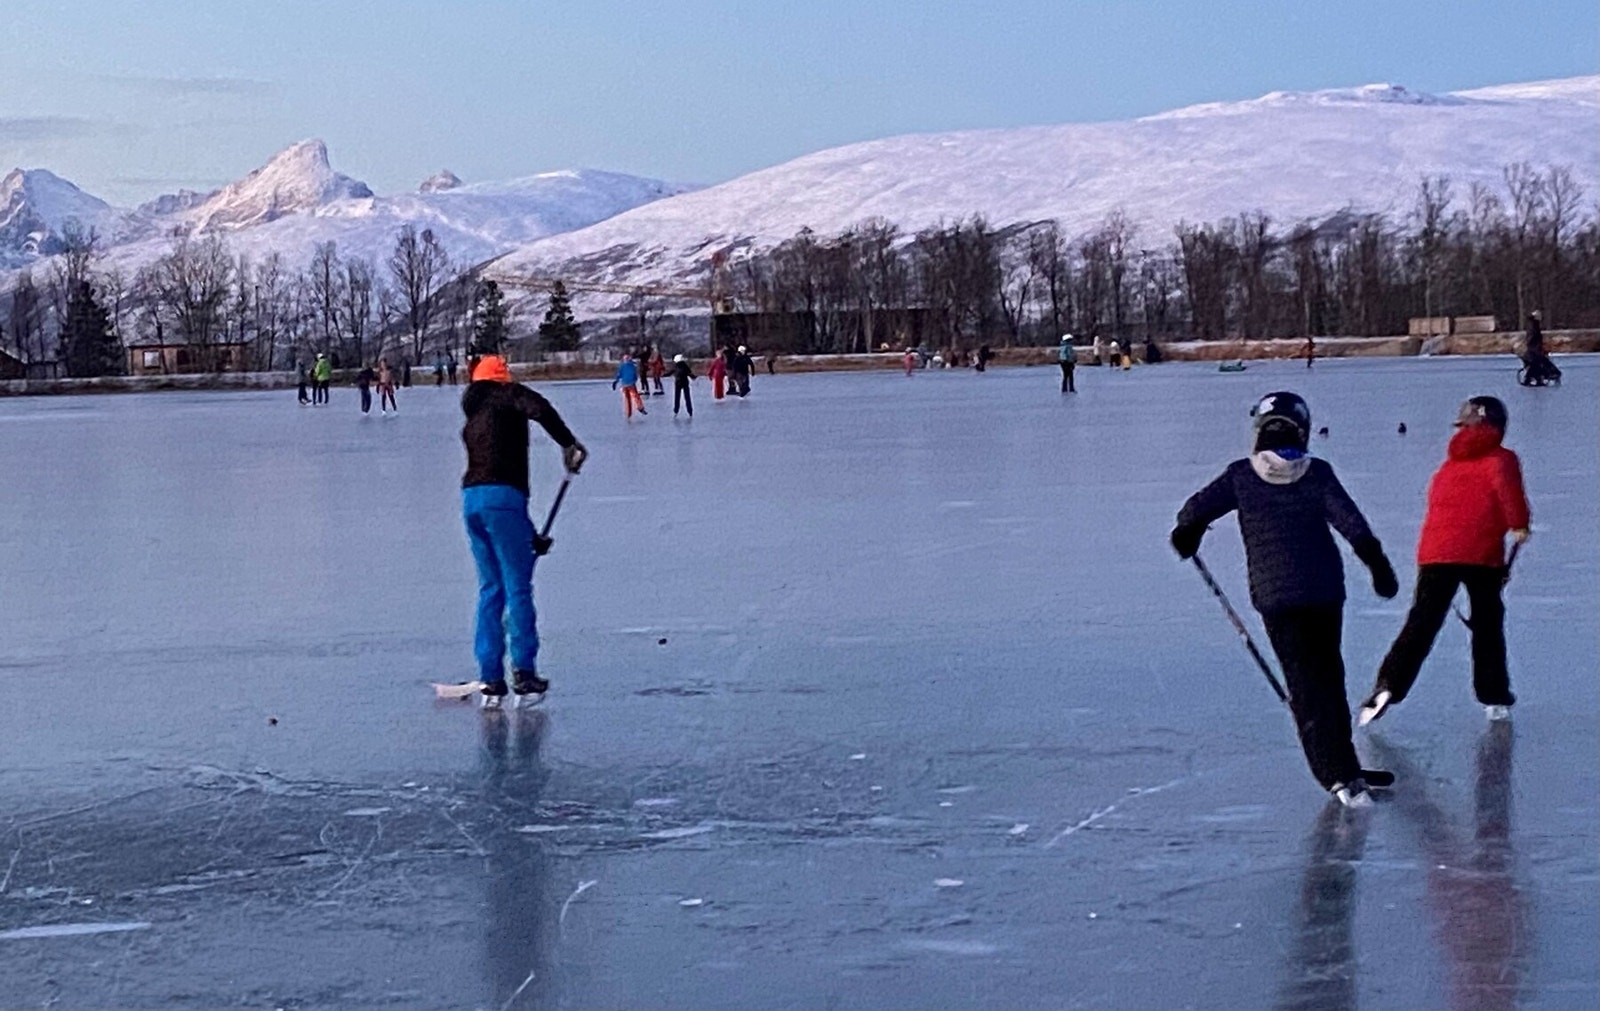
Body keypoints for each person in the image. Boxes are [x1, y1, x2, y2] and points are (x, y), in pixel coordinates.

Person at [1170, 391, 1399, 808]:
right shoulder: (1317, 474)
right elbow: (1353, 525)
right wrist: (1377, 565)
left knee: (1307, 686)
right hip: (1324, 594)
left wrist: (1187, 533)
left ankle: (1340, 771)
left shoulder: (1241, 476)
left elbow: (1194, 510)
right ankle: (1339, 773)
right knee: (1327, 680)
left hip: (1277, 598)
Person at [1359, 397, 1530, 727]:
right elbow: (1510, 497)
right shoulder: (1502, 459)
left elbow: (1437, 504)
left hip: (1436, 553)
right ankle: (1493, 695)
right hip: (1481, 555)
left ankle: (1388, 685)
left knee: (1421, 623)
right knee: (1487, 625)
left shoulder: (1449, 466)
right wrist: (1519, 526)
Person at [460, 353, 587, 708]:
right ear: (502, 379)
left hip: (472, 500)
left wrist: (530, 538)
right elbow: (541, 408)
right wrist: (568, 443)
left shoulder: (474, 413)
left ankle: (490, 678)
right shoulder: (507, 396)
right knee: (517, 587)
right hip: (503, 498)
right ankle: (525, 674)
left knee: (491, 588)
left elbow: (498, 502)